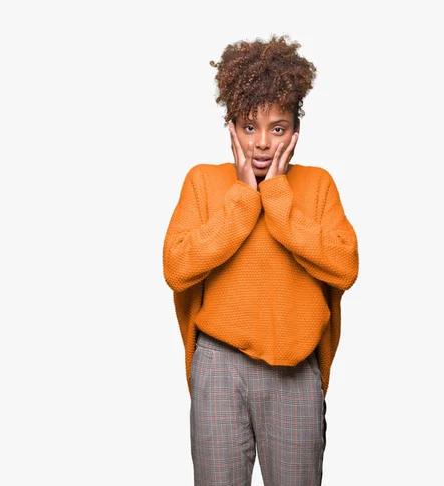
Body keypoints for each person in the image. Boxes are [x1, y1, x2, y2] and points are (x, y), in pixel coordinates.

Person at [163, 34, 359, 486]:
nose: (263, 144)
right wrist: (243, 200)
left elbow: (344, 266)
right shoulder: (203, 182)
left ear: (295, 131)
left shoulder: (319, 185)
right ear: (230, 126)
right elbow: (177, 267)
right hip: (219, 365)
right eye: (249, 127)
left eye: (278, 127)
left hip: (294, 371)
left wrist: (274, 195)